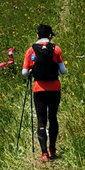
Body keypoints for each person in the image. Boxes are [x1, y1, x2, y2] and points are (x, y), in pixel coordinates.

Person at [22, 25, 65, 161]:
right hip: (54, 88)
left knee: (41, 120)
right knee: (53, 117)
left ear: (37, 36)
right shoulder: (56, 49)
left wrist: (30, 70)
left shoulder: (31, 50)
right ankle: (52, 148)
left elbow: (24, 72)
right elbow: (63, 71)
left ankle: (44, 153)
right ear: (50, 36)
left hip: (39, 89)